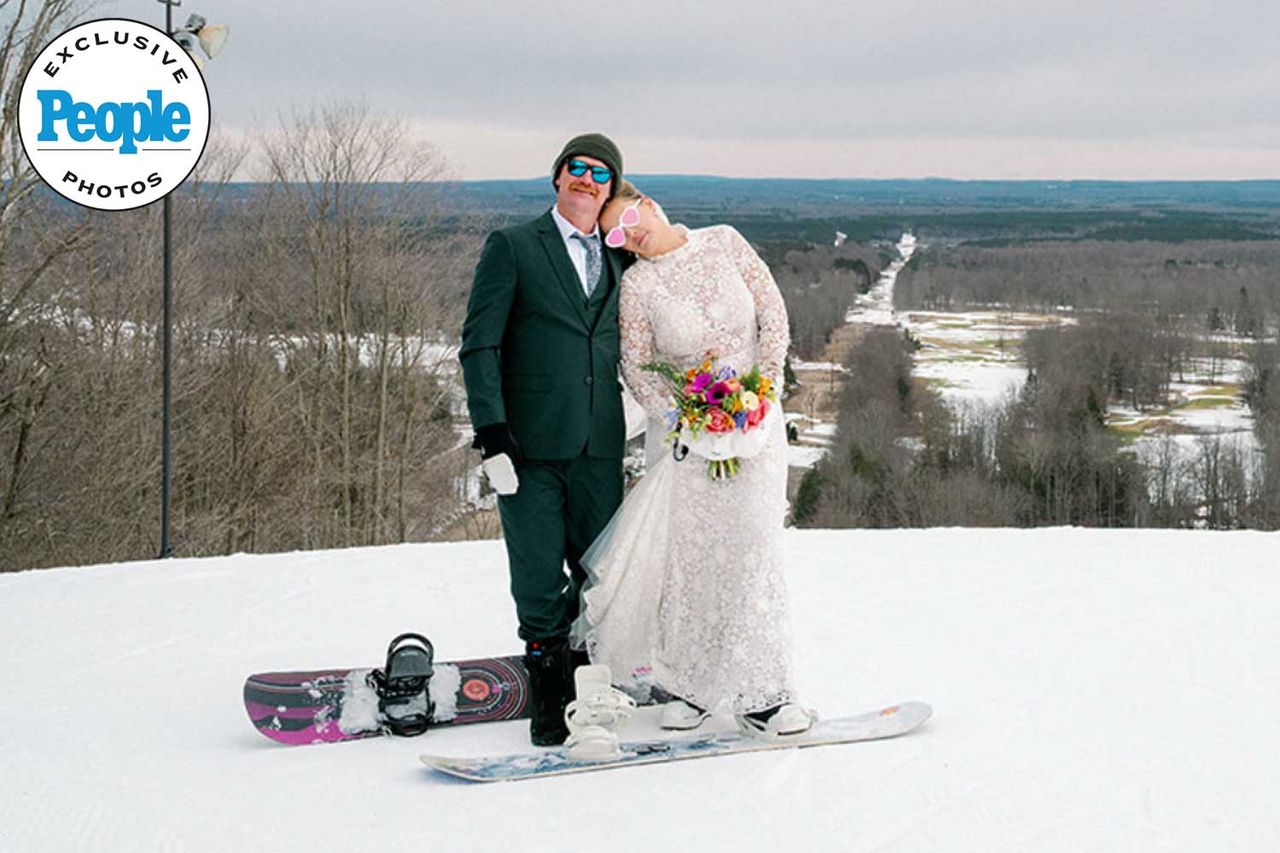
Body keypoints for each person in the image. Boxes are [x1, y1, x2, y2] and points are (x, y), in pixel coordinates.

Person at [571, 180, 814, 738]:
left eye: (628, 217)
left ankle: (766, 693)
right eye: (615, 235)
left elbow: (772, 314)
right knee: (692, 561)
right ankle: (689, 687)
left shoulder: (724, 242)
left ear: (647, 203)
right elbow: (636, 365)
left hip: (755, 426)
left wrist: (766, 388)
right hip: (688, 439)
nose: (628, 235)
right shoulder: (637, 286)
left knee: (753, 552)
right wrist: (684, 419)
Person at [459, 133, 631, 746]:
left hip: (600, 444)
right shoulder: (512, 247)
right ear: (557, 177)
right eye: (577, 168)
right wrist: (493, 434)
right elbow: (480, 343)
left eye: (601, 174)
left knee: (602, 570)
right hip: (528, 445)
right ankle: (550, 682)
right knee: (536, 574)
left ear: (611, 190)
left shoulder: (620, 257)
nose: (587, 179)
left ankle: (592, 672)